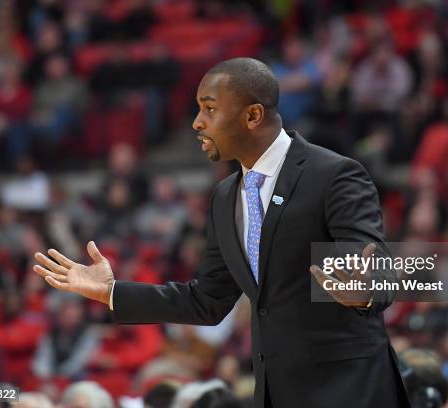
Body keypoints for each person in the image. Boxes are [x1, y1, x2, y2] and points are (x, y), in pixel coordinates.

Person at [33, 57, 410, 407]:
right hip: (277, 392)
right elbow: (208, 301)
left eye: (209, 109)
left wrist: (365, 290)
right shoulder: (225, 195)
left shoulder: (333, 175)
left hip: (349, 390)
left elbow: (378, 268)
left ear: (253, 115)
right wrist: (112, 292)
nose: (197, 122)